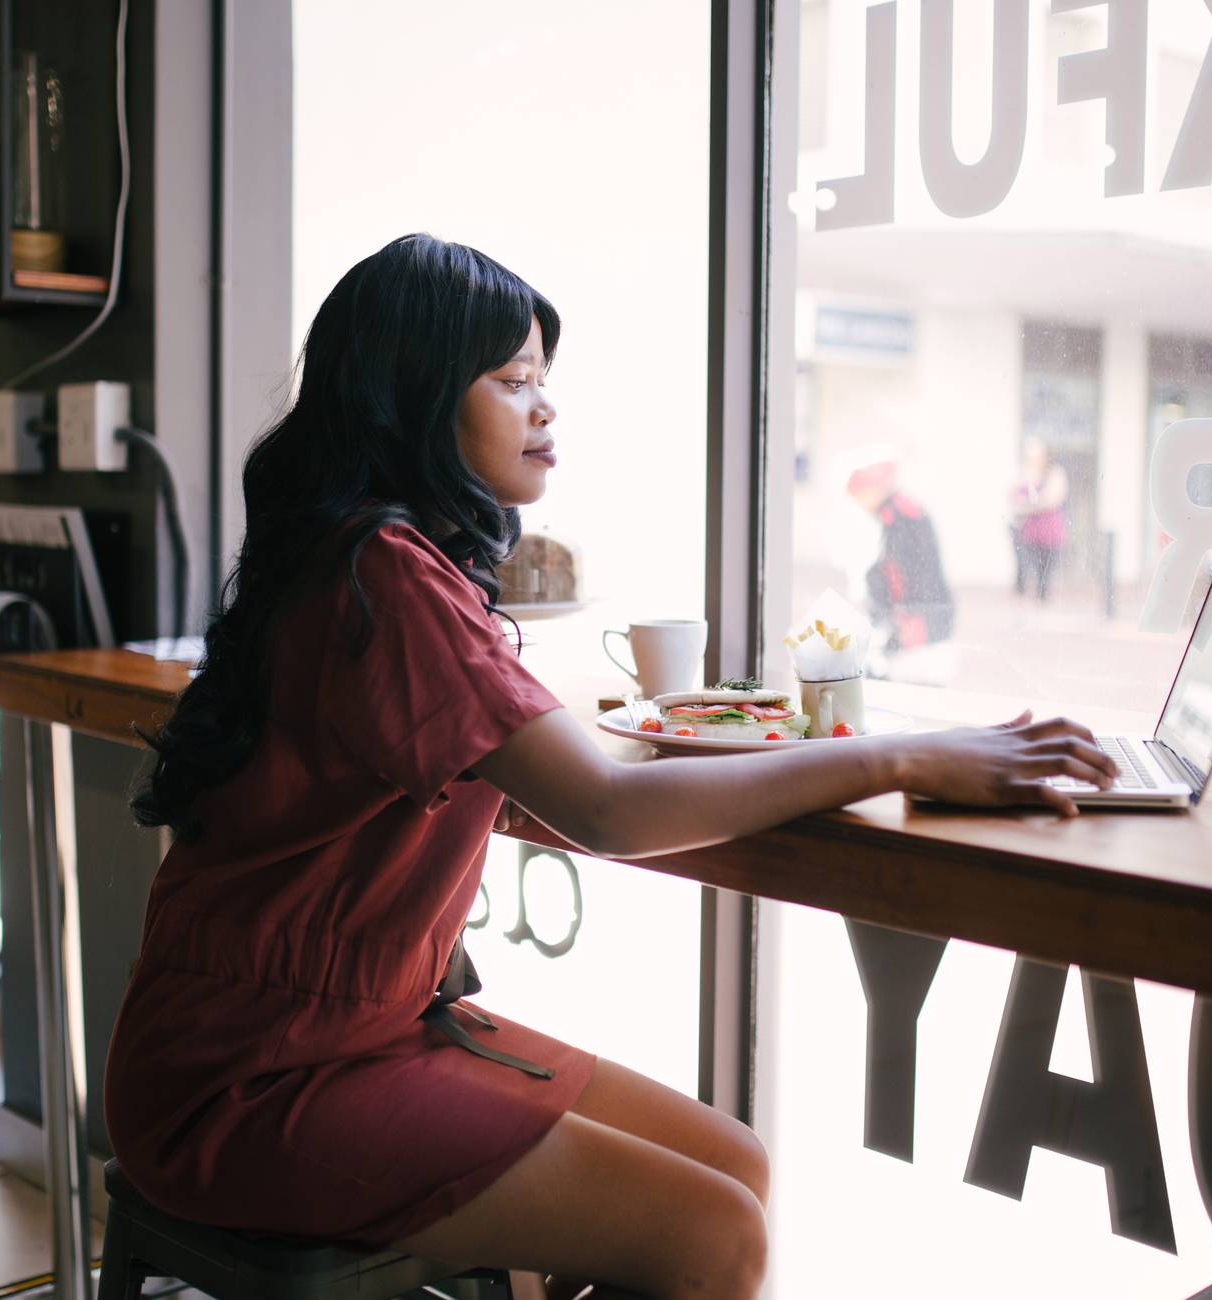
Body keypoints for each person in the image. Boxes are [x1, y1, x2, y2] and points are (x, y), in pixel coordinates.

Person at [105, 233, 1117, 1300]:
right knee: (711, 1231)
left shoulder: (370, 555)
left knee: (736, 1169)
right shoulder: (385, 573)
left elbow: (525, 774)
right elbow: (606, 808)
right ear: (411, 395)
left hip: (330, 1025)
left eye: (545, 382)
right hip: (257, 1072)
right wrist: (903, 754)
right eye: (513, 380)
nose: (545, 409)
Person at [845, 452, 956, 662]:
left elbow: (906, 573)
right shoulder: (892, 512)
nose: (858, 504)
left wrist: (902, 620)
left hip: (921, 617)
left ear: (874, 489)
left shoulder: (900, 516)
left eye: (859, 495)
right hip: (918, 615)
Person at [1008, 435, 1070, 601]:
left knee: (1046, 566)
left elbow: (1052, 499)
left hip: (1049, 528)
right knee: (1029, 562)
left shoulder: (1055, 473)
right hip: (1029, 529)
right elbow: (1013, 497)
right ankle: (1029, 592)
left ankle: (1042, 595)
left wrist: (1030, 504)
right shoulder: (1025, 473)